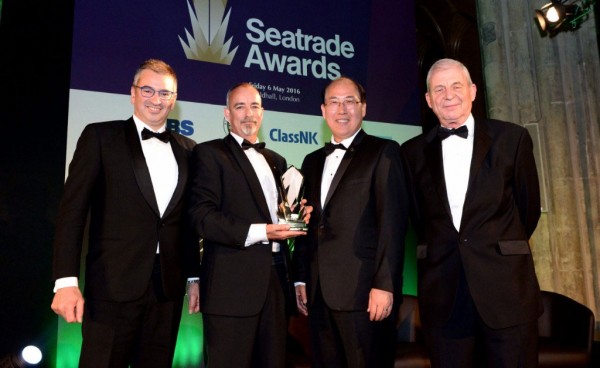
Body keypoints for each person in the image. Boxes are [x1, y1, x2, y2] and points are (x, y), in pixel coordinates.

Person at [51, 59, 200, 367]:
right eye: (148, 90)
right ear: (133, 93)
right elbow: (72, 212)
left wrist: (194, 276)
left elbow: (188, 221)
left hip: (167, 290)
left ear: (174, 99)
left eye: (165, 93)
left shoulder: (189, 149)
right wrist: (65, 281)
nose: (156, 99)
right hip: (112, 286)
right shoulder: (100, 137)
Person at [400, 58, 542, 367]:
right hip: (443, 295)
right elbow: (417, 219)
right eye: (439, 89)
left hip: (505, 290)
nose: (448, 95)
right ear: (428, 100)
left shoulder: (512, 139)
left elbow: (528, 210)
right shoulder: (410, 153)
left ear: (473, 91)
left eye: (456, 86)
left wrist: (495, 245)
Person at [188, 82, 310, 368]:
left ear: (263, 112)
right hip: (231, 288)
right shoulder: (208, 154)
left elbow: (282, 215)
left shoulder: (277, 161)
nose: (248, 113)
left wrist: (298, 214)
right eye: (239, 106)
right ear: (227, 113)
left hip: (277, 284)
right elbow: (201, 216)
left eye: (254, 106)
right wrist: (262, 231)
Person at [292, 76, 408, 368]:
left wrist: (385, 285)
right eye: (334, 102)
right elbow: (308, 224)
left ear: (364, 108)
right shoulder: (311, 161)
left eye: (350, 101)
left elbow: (392, 224)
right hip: (319, 295)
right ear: (322, 110)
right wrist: (301, 276)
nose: (341, 109)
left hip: (365, 294)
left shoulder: (384, 152)